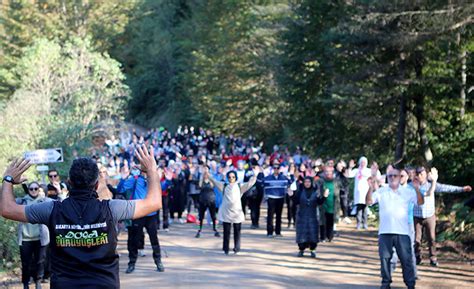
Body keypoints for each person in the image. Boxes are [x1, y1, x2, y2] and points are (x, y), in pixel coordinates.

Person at [1, 145, 162, 288]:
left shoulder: (51, 209)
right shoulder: (112, 208)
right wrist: (151, 171)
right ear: (97, 184)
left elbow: (7, 209)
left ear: (69, 182)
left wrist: (8, 179)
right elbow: (154, 202)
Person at [366, 165, 424, 289]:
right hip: (385, 232)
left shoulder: (407, 191)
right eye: (390, 176)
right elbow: (369, 202)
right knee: (385, 259)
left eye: (395, 176)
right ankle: (385, 283)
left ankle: (410, 284)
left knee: (406, 260)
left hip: (403, 232)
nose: (392, 178)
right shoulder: (382, 191)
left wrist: (417, 189)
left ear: (400, 177)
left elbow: (420, 202)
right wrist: (370, 188)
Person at [413, 166, 472, 267]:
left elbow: (447, 188)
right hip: (417, 216)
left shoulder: (432, 185)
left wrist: (462, 189)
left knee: (431, 238)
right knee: (416, 239)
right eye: (418, 174)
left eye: (421, 174)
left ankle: (433, 258)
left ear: (426, 175)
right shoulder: (412, 186)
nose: (420, 176)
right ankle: (417, 256)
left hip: (429, 216)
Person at [117, 162, 167, 273]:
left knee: (154, 239)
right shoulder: (134, 179)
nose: (144, 169)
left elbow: (163, 187)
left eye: (146, 167)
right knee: (133, 240)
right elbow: (120, 190)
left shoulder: (153, 179)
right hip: (137, 213)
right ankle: (132, 263)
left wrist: (166, 180)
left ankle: (158, 261)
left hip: (151, 215)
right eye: (143, 167)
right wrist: (123, 179)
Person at [207, 166, 259, 255]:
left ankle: (236, 249)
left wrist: (255, 175)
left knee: (237, 232)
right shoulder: (224, 186)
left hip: (237, 213)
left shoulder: (240, 186)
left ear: (236, 177)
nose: (231, 178)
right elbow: (214, 181)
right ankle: (226, 249)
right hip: (226, 212)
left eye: (233, 177)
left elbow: (250, 183)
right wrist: (207, 174)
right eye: (229, 177)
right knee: (226, 232)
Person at [17, 182, 51, 289]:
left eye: (36, 188)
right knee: (25, 263)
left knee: (40, 262)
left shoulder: (44, 201)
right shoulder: (22, 201)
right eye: (31, 188)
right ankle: (26, 283)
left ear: (39, 189)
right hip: (25, 238)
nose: (33, 190)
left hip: (41, 238)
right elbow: (6, 202)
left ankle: (38, 281)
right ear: (28, 190)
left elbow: (59, 202)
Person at [258, 160, 294, 237]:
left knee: (279, 215)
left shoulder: (283, 178)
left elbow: (291, 182)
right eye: (275, 168)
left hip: (280, 198)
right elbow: (260, 182)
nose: (276, 169)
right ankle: (269, 232)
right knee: (270, 216)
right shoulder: (268, 178)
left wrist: (291, 174)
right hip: (271, 198)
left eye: (278, 168)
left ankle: (278, 232)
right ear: (272, 169)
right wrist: (260, 172)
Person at [295, 177, 328, 258]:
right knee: (301, 234)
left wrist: (324, 196)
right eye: (305, 182)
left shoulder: (316, 191)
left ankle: (313, 250)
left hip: (313, 216)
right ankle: (301, 250)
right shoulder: (300, 191)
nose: (307, 183)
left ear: (311, 183)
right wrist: (291, 195)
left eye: (309, 182)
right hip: (302, 216)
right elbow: (296, 201)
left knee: (313, 234)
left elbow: (320, 202)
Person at [346, 157, 376, 230]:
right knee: (358, 208)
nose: (363, 164)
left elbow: (374, 176)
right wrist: (350, 167)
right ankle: (358, 224)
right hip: (358, 193)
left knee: (365, 208)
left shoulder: (368, 171)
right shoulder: (356, 170)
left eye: (364, 162)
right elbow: (349, 175)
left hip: (366, 193)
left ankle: (365, 223)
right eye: (362, 162)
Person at [318, 165, 342, 242]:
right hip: (323, 204)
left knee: (330, 221)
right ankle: (323, 237)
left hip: (333, 205)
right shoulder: (321, 181)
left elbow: (342, 189)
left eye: (330, 172)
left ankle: (330, 236)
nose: (328, 174)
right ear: (324, 173)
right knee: (322, 221)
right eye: (326, 172)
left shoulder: (336, 182)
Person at [195, 167, 220, 238]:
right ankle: (199, 230)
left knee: (214, 216)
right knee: (201, 217)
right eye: (204, 170)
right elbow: (198, 187)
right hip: (202, 200)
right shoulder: (200, 181)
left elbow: (216, 185)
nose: (205, 172)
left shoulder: (212, 181)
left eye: (207, 171)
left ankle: (215, 230)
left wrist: (210, 177)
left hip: (211, 200)